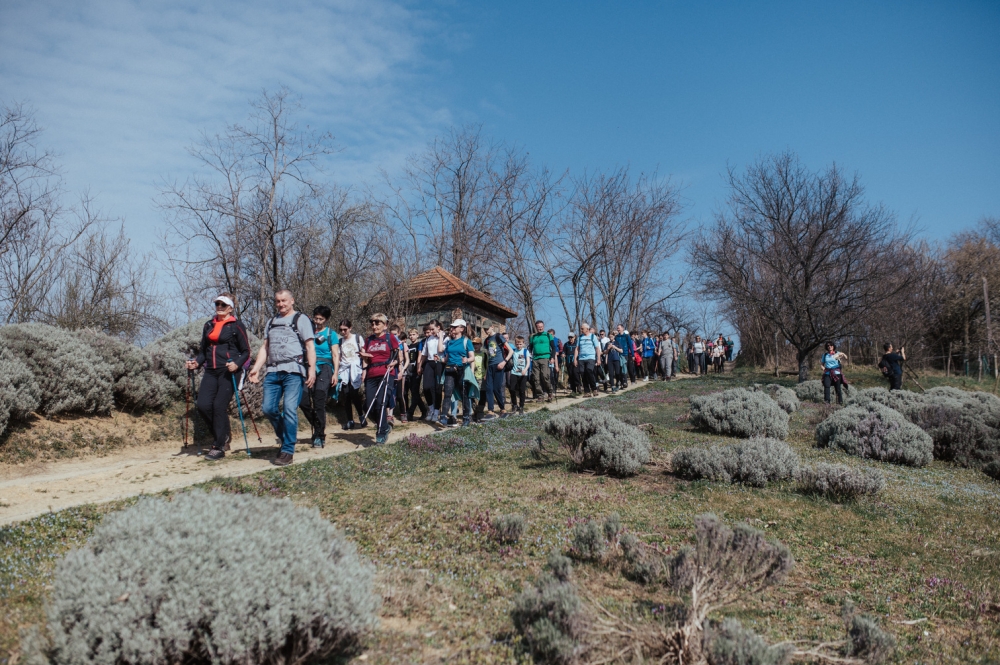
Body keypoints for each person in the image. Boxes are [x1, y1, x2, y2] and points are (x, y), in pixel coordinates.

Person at [248, 289, 316, 467]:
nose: (281, 304)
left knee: (289, 409)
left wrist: (311, 370)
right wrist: (255, 368)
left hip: (294, 371)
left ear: (292, 300)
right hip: (273, 371)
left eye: (284, 301)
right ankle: (286, 437)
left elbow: (310, 346)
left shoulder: (300, 319)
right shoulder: (271, 322)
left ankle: (287, 450)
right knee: (268, 409)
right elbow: (265, 348)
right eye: (278, 301)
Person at [186, 293, 251, 461]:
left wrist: (237, 364)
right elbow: (203, 350)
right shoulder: (208, 325)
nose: (219, 307)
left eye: (223, 304)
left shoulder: (237, 326)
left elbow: (246, 352)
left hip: (229, 371)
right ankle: (223, 435)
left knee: (218, 406)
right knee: (203, 405)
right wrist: (196, 363)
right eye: (217, 304)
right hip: (211, 370)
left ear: (230, 307)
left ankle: (219, 445)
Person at [299, 306, 340, 448]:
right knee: (302, 399)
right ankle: (317, 425)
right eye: (315, 318)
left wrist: (335, 374)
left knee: (319, 400)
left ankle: (319, 434)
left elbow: (335, 355)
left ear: (327, 319)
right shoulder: (308, 332)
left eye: (321, 319)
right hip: (309, 367)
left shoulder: (331, 334)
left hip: (325, 368)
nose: (317, 321)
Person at [360, 313, 402, 444]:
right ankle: (384, 425)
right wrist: (364, 365)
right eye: (372, 323)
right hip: (371, 374)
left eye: (377, 323)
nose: (374, 326)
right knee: (368, 405)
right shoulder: (368, 340)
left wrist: (394, 363)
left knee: (380, 403)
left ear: (385, 325)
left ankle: (381, 433)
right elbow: (367, 359)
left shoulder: (391, 338)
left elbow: (398, 354)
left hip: (386, 373)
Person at [440, 319, 475, 427]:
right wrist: (439, 359)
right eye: (452, 327)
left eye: (455, 327)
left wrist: (467, 360)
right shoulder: (450, 341)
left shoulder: (466, 341)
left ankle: (466, 418)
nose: (452, 329)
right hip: (450, 369)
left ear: (462, 329)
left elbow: (472, 357)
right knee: (447, 393)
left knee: (464, 395)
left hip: (461, 370)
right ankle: (443, 417)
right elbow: (446, 358)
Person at [337, 320, 366, 430]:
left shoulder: (357, 338)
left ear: (350, 328)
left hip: (355, 369)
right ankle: (350, 420)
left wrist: (364, 370)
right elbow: (339, 358)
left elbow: (363, 356)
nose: (343, 332)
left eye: (345, 329)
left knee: (354, 394)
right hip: (344, 370)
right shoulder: (340, 342)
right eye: (341, 330)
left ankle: (361, 416)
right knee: (346, 395)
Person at [418, 320, 446, 422]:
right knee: (426, 387)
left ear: (438, 327)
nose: (431, 331)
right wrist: (420, 366)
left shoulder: (445, 337)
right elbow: (424, 354)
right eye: (430, 329)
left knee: (437, 388)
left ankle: (437, 411)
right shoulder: (429, 339)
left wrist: (440, 337)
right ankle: (430, 408)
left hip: (439, 363)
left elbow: (441, 350)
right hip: (429, 363)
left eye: (432, 329)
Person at [483, 324, 512, 418]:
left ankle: (502, 409)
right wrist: (486, 372)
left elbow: (511, 351)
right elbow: (487, 357)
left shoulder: (499, 336)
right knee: (488, 388)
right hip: (490, 367)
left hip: (499, 365)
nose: (486, 330)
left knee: (496, 388)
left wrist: (504, 362)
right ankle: (490, 411)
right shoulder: (486, 340)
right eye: (484, 329)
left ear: (491, 326)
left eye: (487, 328)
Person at [403, 328, 427, 422]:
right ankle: (424, 411)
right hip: (409, 371)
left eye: (413, 334)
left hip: (416, 371)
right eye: (410, 334)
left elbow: (420, 357)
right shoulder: (408, 346)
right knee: (413, 392)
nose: (411, 336)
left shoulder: (419, 344)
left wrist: (419, 367)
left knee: (414, 392)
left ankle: (410, 412)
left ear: (417, 335)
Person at [528, 320, 555, 402]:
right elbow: (530, 347)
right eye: (538, 327)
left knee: (545, 376)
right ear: (536, 327)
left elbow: (553, 347)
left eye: (541, 326)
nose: (540, 328)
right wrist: (529, 355)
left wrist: (552, 357)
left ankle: (550, 392)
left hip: (545, 358)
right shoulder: (533, 337)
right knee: (536, 378)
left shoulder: (548, 335)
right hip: (535, 359)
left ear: (543, 326)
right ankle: (540, 395)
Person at [575, 323, 601, 397]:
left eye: (582, 328)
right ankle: (587, 391)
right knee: (583, 373)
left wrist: (598, 359)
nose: (581, 330)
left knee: (589, 370)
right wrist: (575, 359)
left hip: (591, 357)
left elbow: (597, 348)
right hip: (581, 358)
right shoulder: (580, 337)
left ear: (587, 329)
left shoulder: (593, 337)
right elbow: (577, 349)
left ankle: (594, 389)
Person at [509, 335, 531, 413]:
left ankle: (521, 406)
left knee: (522, 390)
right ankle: (514, 405)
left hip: (523, 374)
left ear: (523, 343)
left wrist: (525, 370)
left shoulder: (526, 351)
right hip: (514, 373)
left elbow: (528, 362)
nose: (519, 346)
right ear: (515, 344)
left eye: (520, 344)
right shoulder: (513, 351)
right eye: (517, 344)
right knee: (512, 389)